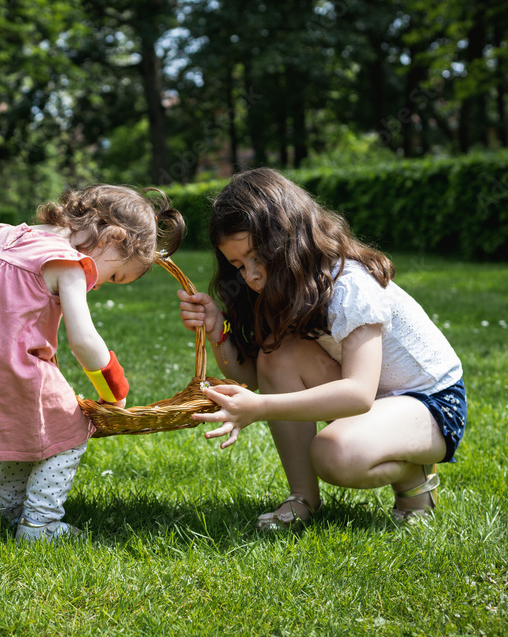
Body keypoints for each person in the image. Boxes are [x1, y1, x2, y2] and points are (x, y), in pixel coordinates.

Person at [178, 168, 466, 529]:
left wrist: (260, 408)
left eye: (257, 257)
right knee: (275, 354)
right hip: (376, 398)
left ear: (288, 238)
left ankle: (414, 476)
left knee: (334, 454)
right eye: (238, 265)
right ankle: (302, 497)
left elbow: (358, 395)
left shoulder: (350, 285)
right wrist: (218, 329)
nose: (250, 275)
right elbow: (255, 375)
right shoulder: (282, 287)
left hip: (431, 403)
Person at [0, 184, 184, 541]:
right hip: (9, 362)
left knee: (31, 429)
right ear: (113, 236)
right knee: (69, 429)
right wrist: (114, 389)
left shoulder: (9, 237)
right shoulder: (68, 263)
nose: (102, 283)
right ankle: (40, 523)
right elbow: (83, 340)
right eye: (115, 275)